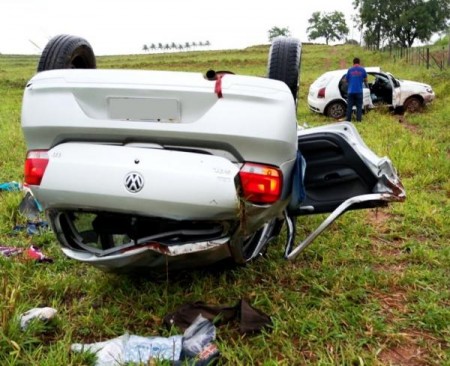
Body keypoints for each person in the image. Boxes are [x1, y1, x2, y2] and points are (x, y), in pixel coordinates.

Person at [345, 57, 367, 122]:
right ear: (359, 63)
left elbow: (346, 80)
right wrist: (361, 80)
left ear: (353, 63)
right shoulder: (362, 69)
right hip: (359, 91)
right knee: (359, 107)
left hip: (350, 91)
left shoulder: (350, 70)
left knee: (349, 107)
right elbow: (366, 80)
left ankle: (348, 121)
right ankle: (358, 121)